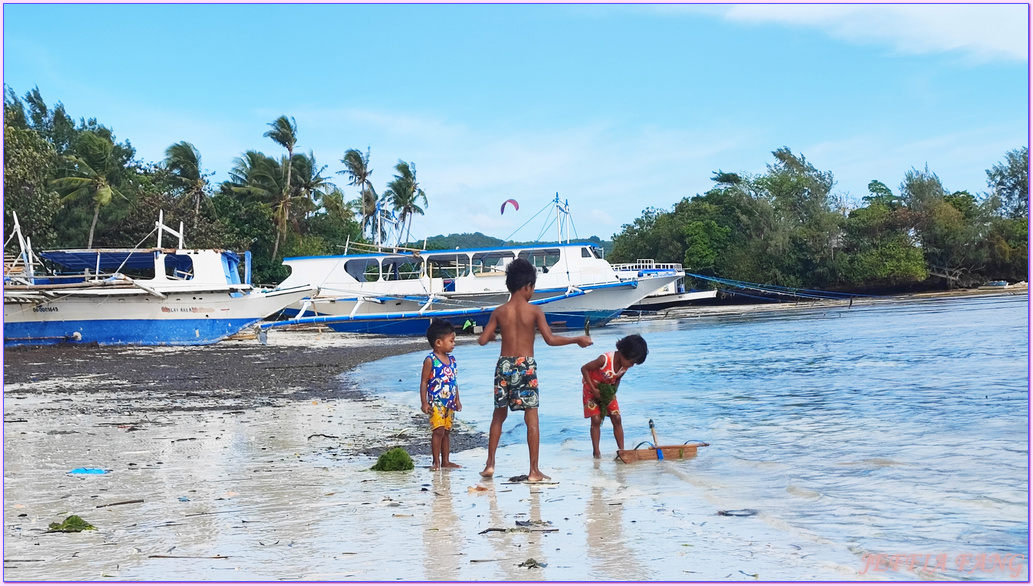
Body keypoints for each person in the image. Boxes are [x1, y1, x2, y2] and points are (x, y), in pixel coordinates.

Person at [477, 258, 593, 481]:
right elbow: (550, 339)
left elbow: (482, 340)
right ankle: (534, 470)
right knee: (532, 417)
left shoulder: (499, 311)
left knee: (498, 416)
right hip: (525, 365)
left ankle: (490, 464)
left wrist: (492, 336)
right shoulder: (534, 311)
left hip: (504, 365)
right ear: (528, 286)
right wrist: (577, 339)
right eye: (533, 288)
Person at [581, 334, 648, 458]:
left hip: (608, 390)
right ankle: (596, 452)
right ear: (624, 352)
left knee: (616, 418)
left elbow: (618, 378)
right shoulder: (604, 359)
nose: (631, 365)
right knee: (596, 419)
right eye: (631, 362)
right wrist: (594, 390)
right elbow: (584, 369)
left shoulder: (625, 366)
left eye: (634, 363)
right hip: (591, 389)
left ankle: (622, 450)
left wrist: (613, 392)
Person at [420, 318, 463, 470]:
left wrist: (457, 399)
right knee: (438, 431)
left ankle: (446, 460)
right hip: (436, 402)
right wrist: (424, 403)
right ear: (438, 342)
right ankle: (436, 461)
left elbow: (454, 381)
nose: (453, 344)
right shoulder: (430, 360)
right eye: (451, 341)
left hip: (450, 402)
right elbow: (424, 382)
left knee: (446, 431)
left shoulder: (452, 360)